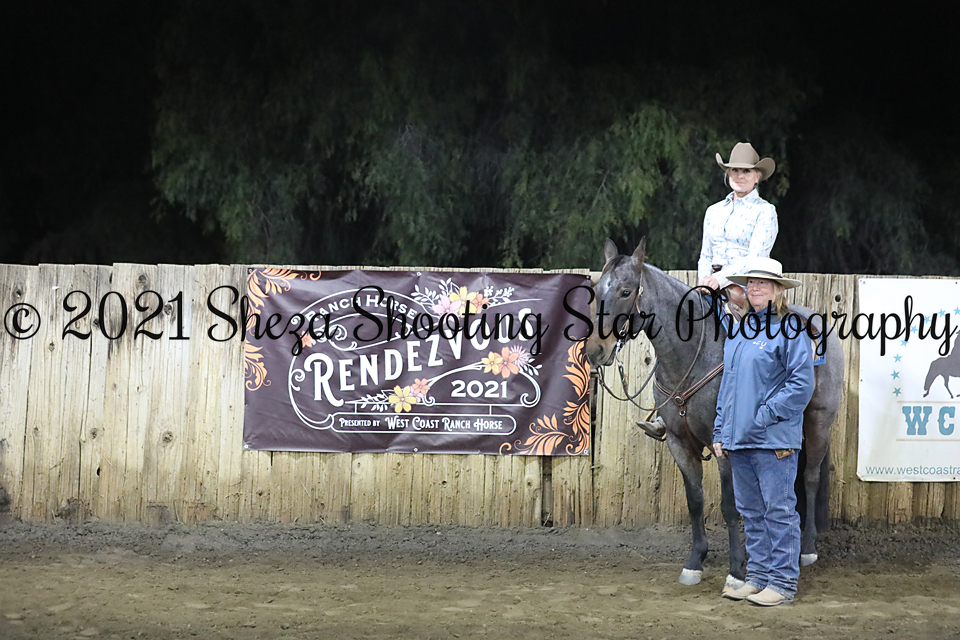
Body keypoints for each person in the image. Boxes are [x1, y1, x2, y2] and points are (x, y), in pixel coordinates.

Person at [711, 257, 814, 607]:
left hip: (773, 439)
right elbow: (729, 385)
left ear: (778, 289)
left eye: (763, 283)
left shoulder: (791, 329)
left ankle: (782, 583)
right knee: (752, 512)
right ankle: (757, 578)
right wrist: (721, 430)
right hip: (740, 439)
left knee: (778, 511)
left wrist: (766, 414)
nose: (755, 288)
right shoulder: (740, 331)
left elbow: (802, 384)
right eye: (751, 282)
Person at [697, 142, 778, 316]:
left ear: (757, 177)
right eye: (735, 170)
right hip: (710, 284)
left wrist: (719, 279)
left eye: (746, 171)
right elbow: (705, 254)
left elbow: (755, 258)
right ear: (728, 173)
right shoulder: (713, 211)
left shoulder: (765, 211)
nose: (740, 176)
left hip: (745, 284)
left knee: (749, 327)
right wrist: (704, 280)